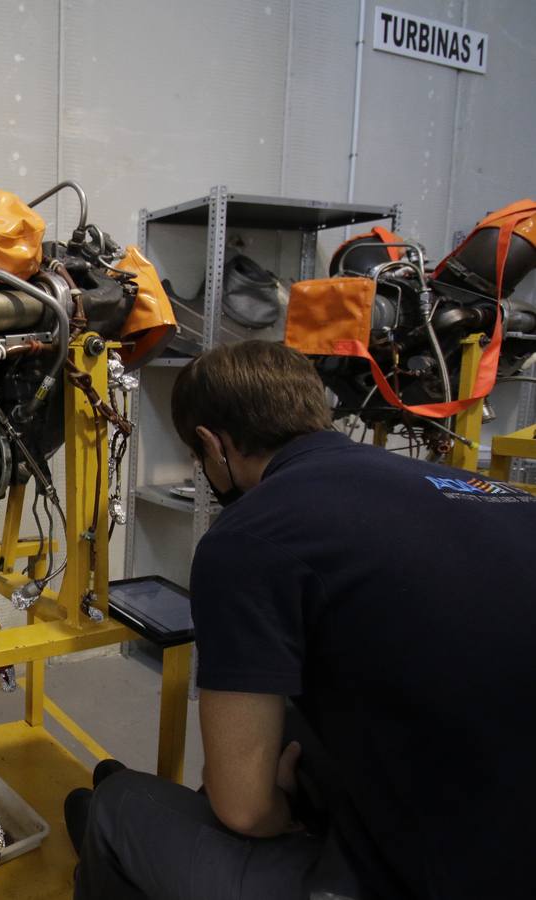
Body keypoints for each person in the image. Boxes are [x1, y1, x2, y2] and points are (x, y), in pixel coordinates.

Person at [66, 340, 536, 899]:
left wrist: (274, 808)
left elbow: (244, 810)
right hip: (501, 821)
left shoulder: (249, 537)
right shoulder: (493, 494)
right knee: (286, 725)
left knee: (119, 809)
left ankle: (123, 844)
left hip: (433, 878)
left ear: (212, 445)